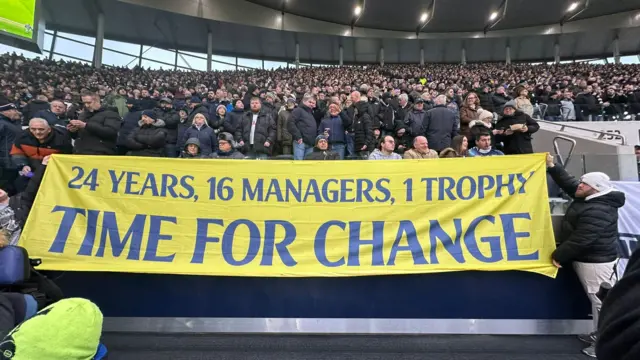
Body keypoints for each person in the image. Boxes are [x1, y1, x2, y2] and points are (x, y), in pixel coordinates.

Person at [546, 154, 625, 357]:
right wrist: (553, 167)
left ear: (595, 188)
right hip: (591, 260)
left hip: (596, 264)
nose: (579, 185)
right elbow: (571, 184)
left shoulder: (598, 208)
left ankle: (604, 343)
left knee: (601, 302)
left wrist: (558, 255)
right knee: (598, 300)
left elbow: (582, 239)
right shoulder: (592, 195)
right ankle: (599, 334)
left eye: (584, 183)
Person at [67, 91, 121, 155]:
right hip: (80, 152)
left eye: (89, 103)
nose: (86, 105)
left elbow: (111, 132)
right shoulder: (83, 115)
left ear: (97, 101)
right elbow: (78, 136)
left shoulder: (111, 114)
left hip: (101, 152)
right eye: (84, 103)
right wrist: (73, 131)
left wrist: (86, 125)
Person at [0, 98, 23, 194]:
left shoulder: (11, 123)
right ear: (6, 112)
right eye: (14, 110)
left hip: (12, 160)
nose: (16, 112)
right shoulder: (2, 123)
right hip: (4, 163)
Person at [288, 93, 318, 160]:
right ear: (304, 101)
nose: (312, 104)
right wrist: (298, 137)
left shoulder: (310, 113)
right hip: (301, 143)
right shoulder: (298, 110)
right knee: (299, 164)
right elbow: (290, 123)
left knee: (307, 166)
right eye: (310, 102)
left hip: (310, 144)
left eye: (313, 103)